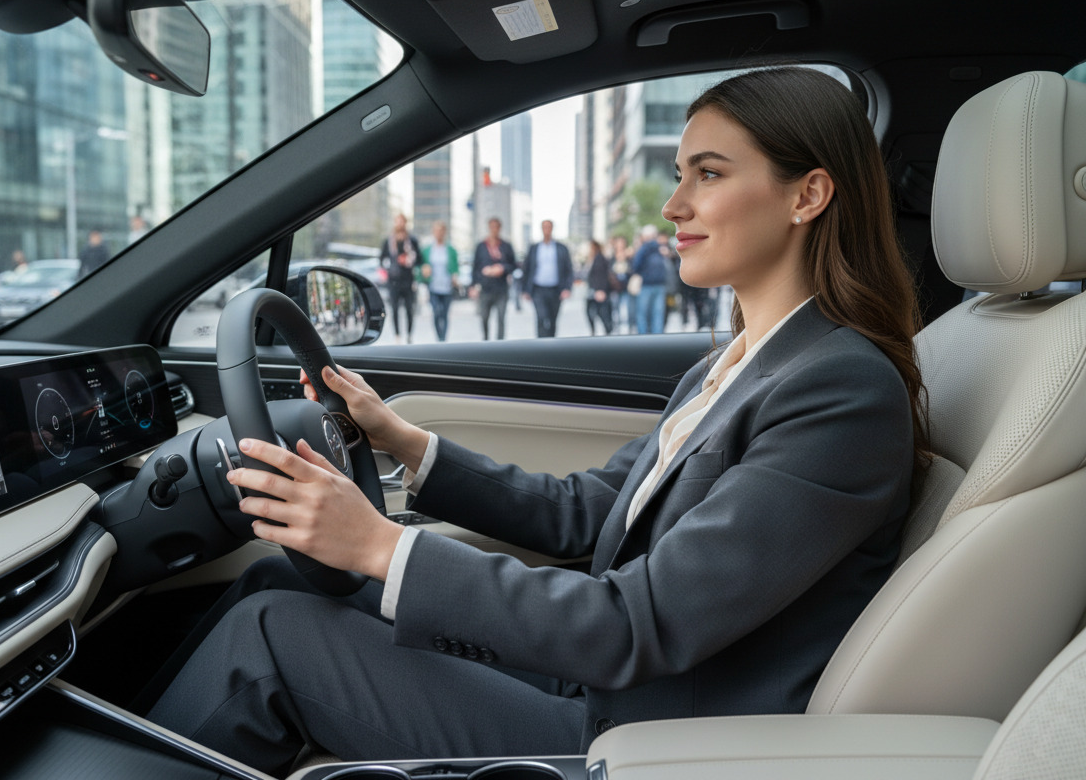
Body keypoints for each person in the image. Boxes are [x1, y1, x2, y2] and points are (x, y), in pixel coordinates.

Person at [146, 67, 929, 774]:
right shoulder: (731, 366)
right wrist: (403, 441)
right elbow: (587, 512)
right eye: (680, 174)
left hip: (649, 739)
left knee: (271, 638)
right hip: (608, 685)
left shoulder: (841, 392)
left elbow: (638, 624)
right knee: (275, 576)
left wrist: (379, 544)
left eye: (710, 174)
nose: (673, 205)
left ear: (807, 196)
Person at [521, 219, 574, 338]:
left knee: (552, 319)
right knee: (541, 317)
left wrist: (567, 288)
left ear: (552, 229)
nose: (547, 230)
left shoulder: (561, 248)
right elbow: (527, 269)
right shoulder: (534, 248)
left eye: (549, 227)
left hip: (556, 289)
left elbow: (568, 270)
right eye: (544, 227)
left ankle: (551, 343)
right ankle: (541, 344)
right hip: (538, 289)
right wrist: (525, 289)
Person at [380, 213, 422, 344]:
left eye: (402, 221)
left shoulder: (412, 241)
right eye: (397, 221)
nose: (400, 224)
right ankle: (397, 335)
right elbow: (382, 259)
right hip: (393, 280)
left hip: (408, 280)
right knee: (394, 309)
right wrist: (387, 269)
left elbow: (419, 259)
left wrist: (409, 259)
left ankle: (409, 335)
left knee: (410, 309)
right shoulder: (389, 241)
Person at [471, 217, 516, 340]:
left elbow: (513, 265)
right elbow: (475, 267)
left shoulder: (506, 246)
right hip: (485, 288)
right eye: (492, 227)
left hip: (501, 288)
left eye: (496, 227)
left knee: (501, 317)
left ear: (500, 228)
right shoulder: (481, 246)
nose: (494, 229)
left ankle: (500, 343)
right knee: (484, 317)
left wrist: (502, 268)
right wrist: (473, 286)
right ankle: (486, 340)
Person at [423, 220, 460, 342]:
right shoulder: (428, 250)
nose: (439, 233)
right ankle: (439, 337)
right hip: (433, 286)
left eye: (441, 231)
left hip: (446, 286)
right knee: (436, 312)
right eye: (436, 231)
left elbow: (455, 267)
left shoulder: (450, 250)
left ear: (445, 232)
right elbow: (422, 266)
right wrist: (424, 271)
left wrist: (455, 276)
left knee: (444, 314)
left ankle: (443, 339)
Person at [630, 224, 669, 335]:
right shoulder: (661, 248)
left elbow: (636, 265)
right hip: (660, 284)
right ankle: (657, 336)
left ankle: (643, 337)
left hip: (646, 285)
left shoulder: (644, 249)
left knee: (642, 314)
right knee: (657, 314)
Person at [584, 239, 615, 335]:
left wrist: (600, 290)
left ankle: (606, 332)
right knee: (592, 313)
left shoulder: (599, 259)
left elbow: (601, 276)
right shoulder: (594, 259)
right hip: (593, 291)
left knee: (601, 313)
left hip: (598, 292)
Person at [610, 236, 634, 333]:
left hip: (626, 287)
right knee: (615, 310)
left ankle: (628, 329)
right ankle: (617, 329)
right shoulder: (612, 257)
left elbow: (632, 270)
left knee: (627, 310)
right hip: (615, 288)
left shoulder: (629, 257)